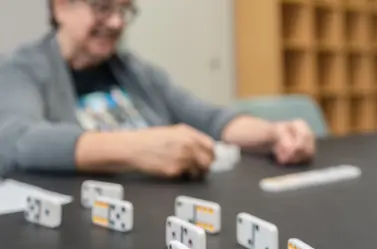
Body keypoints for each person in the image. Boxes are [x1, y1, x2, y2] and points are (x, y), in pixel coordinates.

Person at [0, 0, 315, 178]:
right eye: (102, 7)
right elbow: (17, 141)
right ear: (60, 7)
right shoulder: (23, 69)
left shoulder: (134, 70)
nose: (116, 23)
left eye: (124, 9)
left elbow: (210, 118)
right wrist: (135, 148)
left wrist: (274, 133)